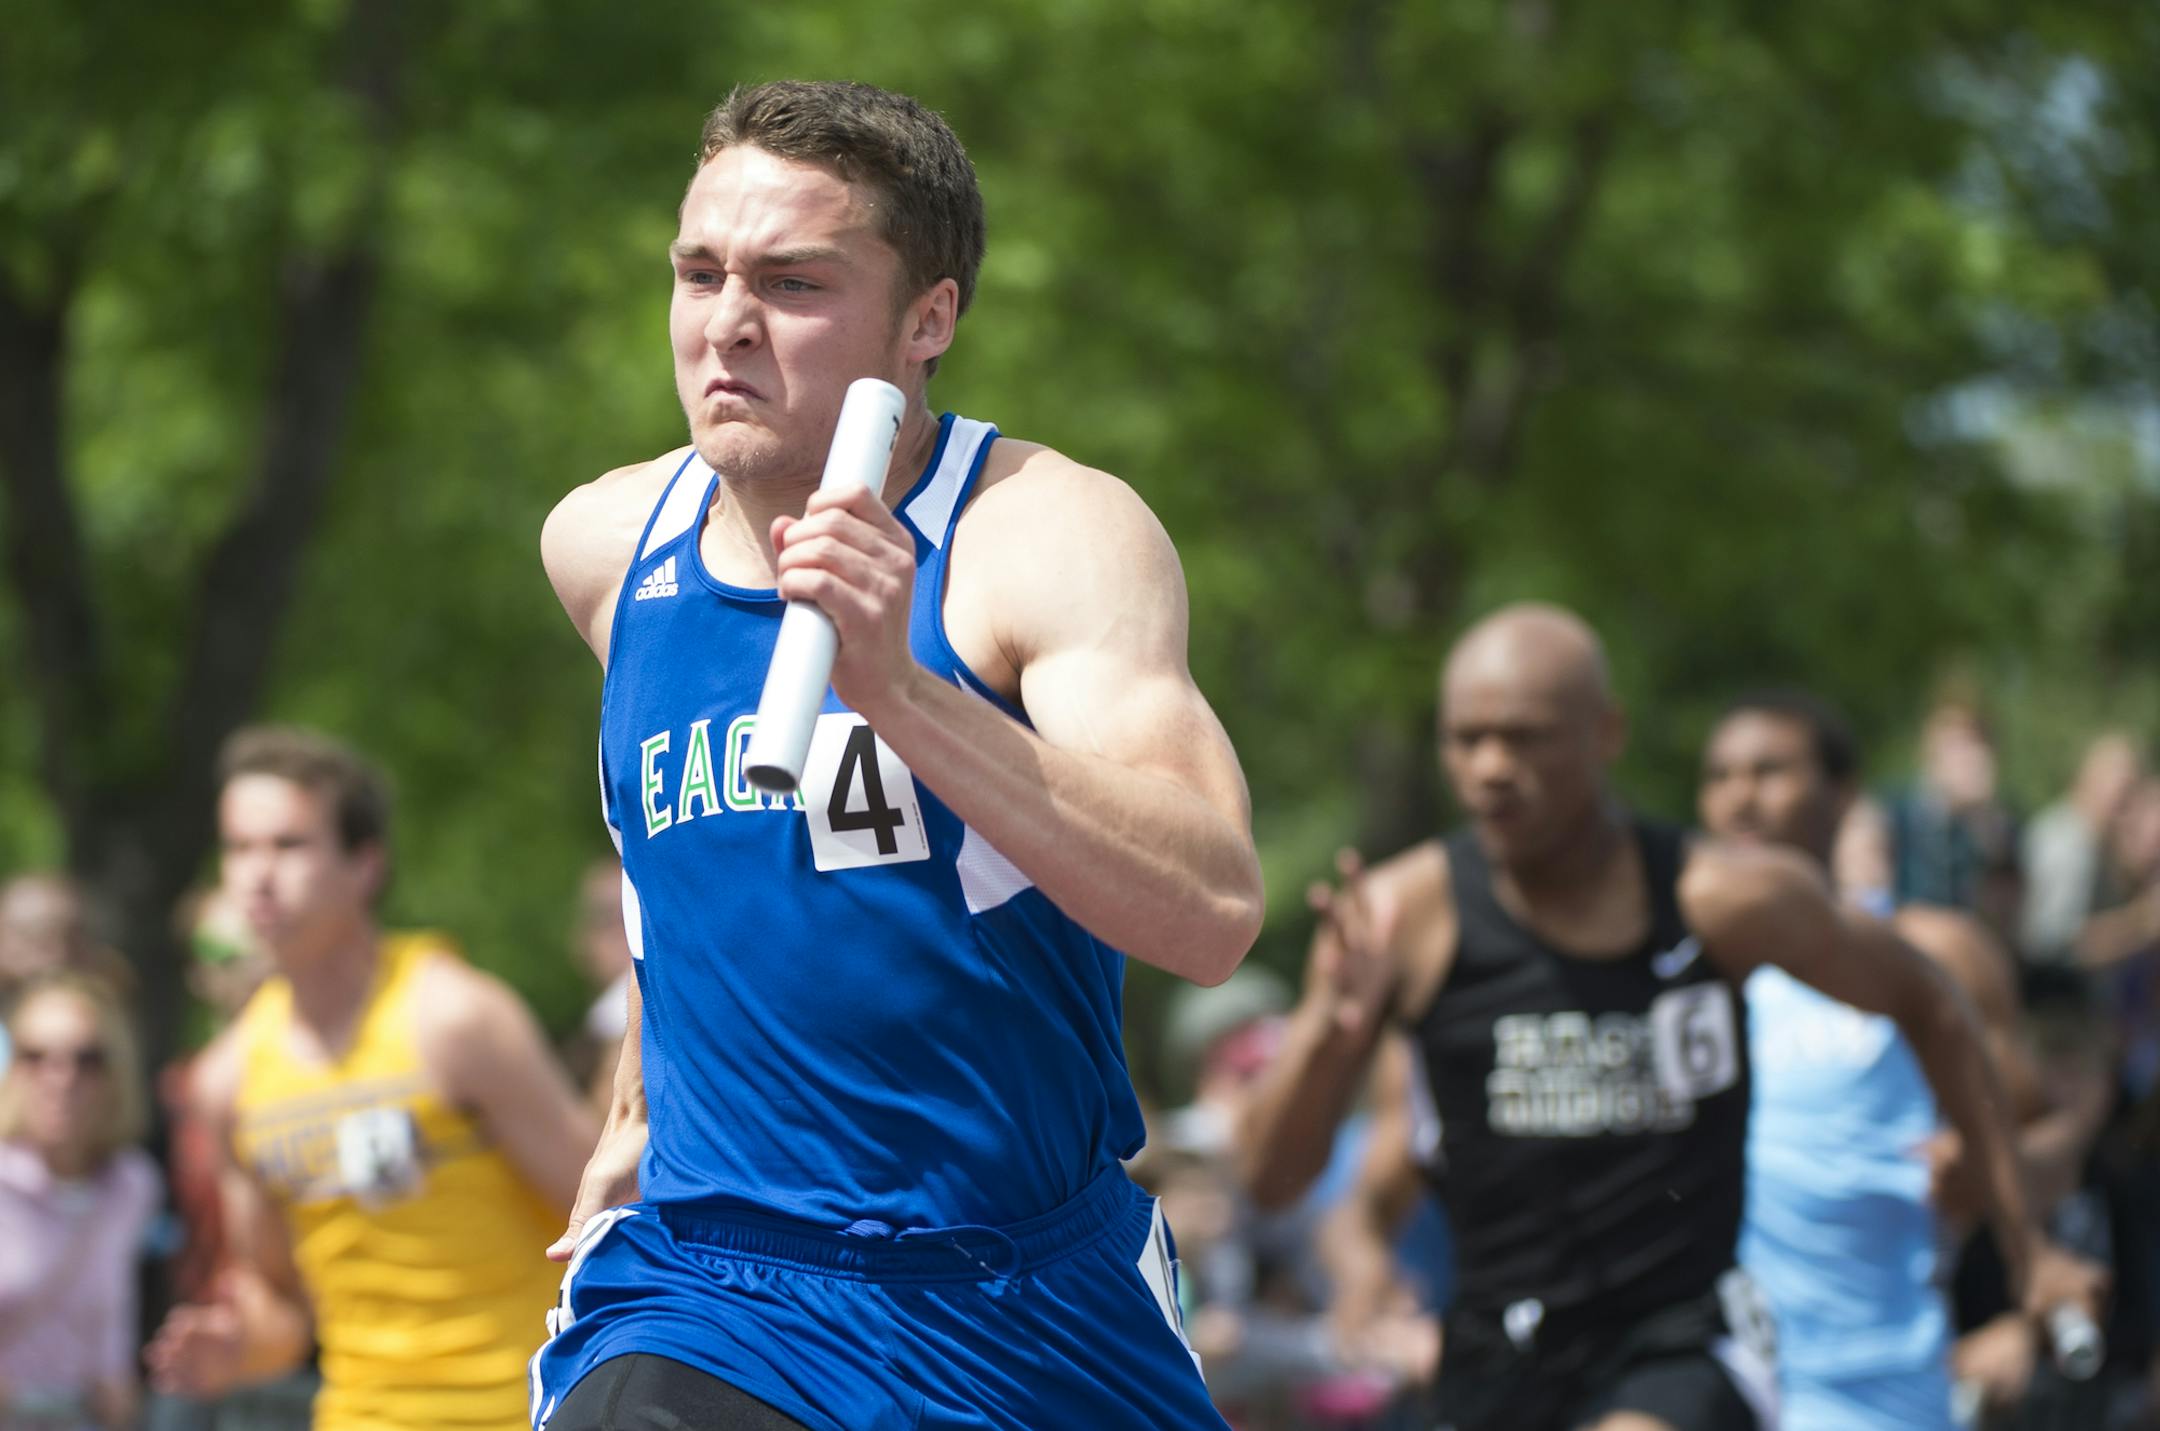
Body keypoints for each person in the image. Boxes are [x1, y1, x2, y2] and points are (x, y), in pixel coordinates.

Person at [531, 79, 1264, 1431]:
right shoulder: (604, 545)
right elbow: (693, 865)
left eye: (794, 282)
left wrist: (904, 692)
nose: (726, 325)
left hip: (1017, 1296)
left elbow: (1212, 907)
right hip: (720, 1284)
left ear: (928, 318)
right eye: (700, 273)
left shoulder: (1040, 538)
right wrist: (641, 1093)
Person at [1236, 603, 2102, 1431]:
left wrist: (2028, 1247)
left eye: (1525, 736)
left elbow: (1930, 1000)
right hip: (1498, 1350)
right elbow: (1275, 1181)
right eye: (1466, 739)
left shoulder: (1723, 898)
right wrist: (1326, 1031)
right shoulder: (1404, 921)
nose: (1492, 766)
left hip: (1687, 1340)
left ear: (1604, 734)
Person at [147, 726, 599, 1429]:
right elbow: (282, 1309)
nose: (257, 875)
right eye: (239, 848)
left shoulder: (456, 1019)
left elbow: (604, 1222)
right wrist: (238, 1347)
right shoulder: (226, 1080)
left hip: (528, 1411)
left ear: (364, 863)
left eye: (289, 845)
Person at [1702, 691, 2109, 1429]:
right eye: (1719, 775)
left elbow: (2049, 1153)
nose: (1740, 799)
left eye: (1768, 771)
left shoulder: (1928, 958)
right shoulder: (1681, 966)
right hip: (1718, 1380)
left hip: (1882, 1388)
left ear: (1843, 792)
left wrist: (1993, 1183)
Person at [0, 972, 159, 1429]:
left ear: (116, 1072)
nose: (61, 1078)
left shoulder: (133, 1183)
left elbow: (113, 1311)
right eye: (36, 1057)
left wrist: (117, 1380)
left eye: (86, 1059)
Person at [2020, 733, 2143, 968]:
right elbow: (2055, 947)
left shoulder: (2098, 843)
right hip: (2049, 994)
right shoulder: (2065, 844)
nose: (2129, 807)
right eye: (2122, 794)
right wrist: (2142, 922)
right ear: (2087, 781)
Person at [561, 860, 633, 1110]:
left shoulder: (621, 1014)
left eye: (630, 913)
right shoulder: (598, 1027)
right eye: (606, 918)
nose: (623, 931)